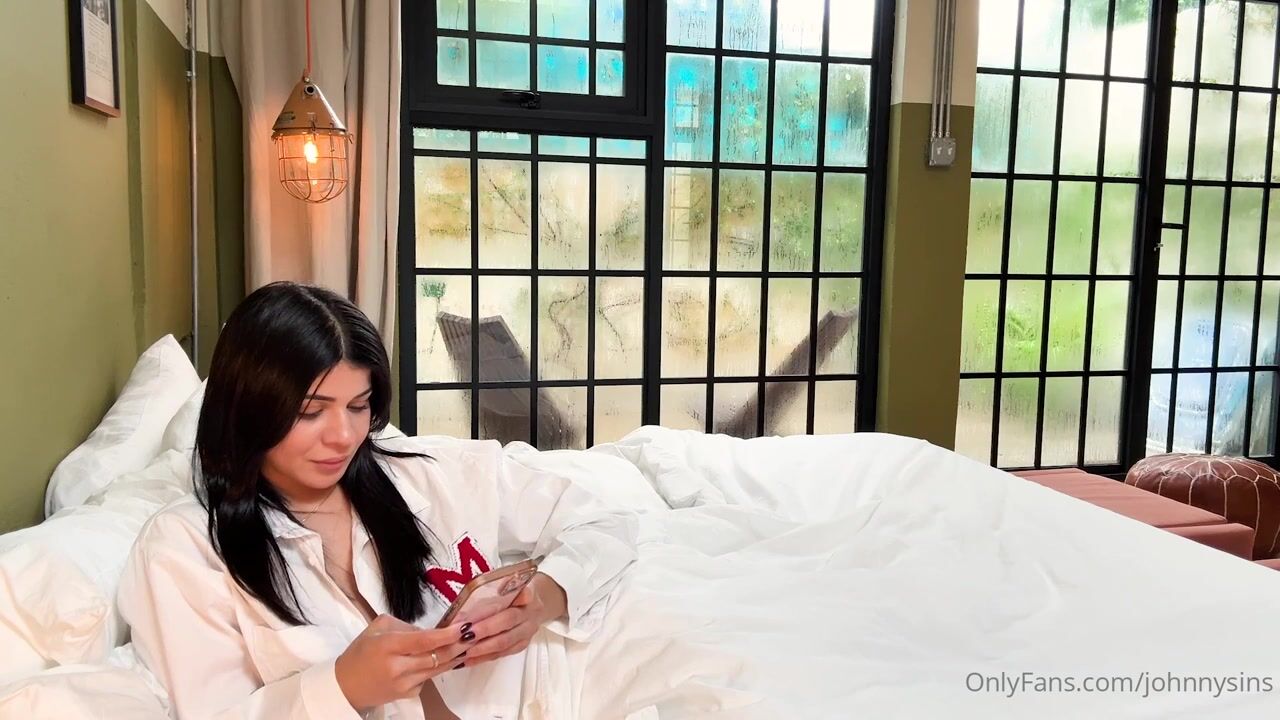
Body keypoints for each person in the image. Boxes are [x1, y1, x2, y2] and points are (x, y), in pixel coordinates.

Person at [118, 282, 637, 719]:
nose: (343, 436)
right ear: (248, 408)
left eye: (358, 406)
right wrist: (342, 687)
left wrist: (549, 595)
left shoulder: (427, 474)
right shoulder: (184, 549)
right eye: (310, 412)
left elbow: (605, 516)